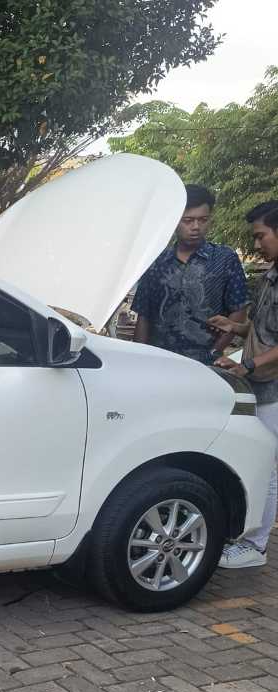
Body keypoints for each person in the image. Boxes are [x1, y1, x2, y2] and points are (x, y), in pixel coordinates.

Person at [211, 202, 278, 568]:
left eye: (261, 236)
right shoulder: (270, 277)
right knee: (257, 460)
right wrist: (233, 327)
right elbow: (262, 328)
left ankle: (256, 546)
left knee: (267, 466)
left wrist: (247, 364)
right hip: (259, 385)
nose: (256, 244)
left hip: (274, 389)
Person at [133, 184, 249, 364]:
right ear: (174, 220)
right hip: (158, 360)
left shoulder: (225, 259)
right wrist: (139, 357)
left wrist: (215, 351)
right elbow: (144, 314)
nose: (196, 227)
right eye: (188, 220)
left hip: (204, 362)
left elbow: (238, 309)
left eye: (203, 220)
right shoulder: (156, 261)